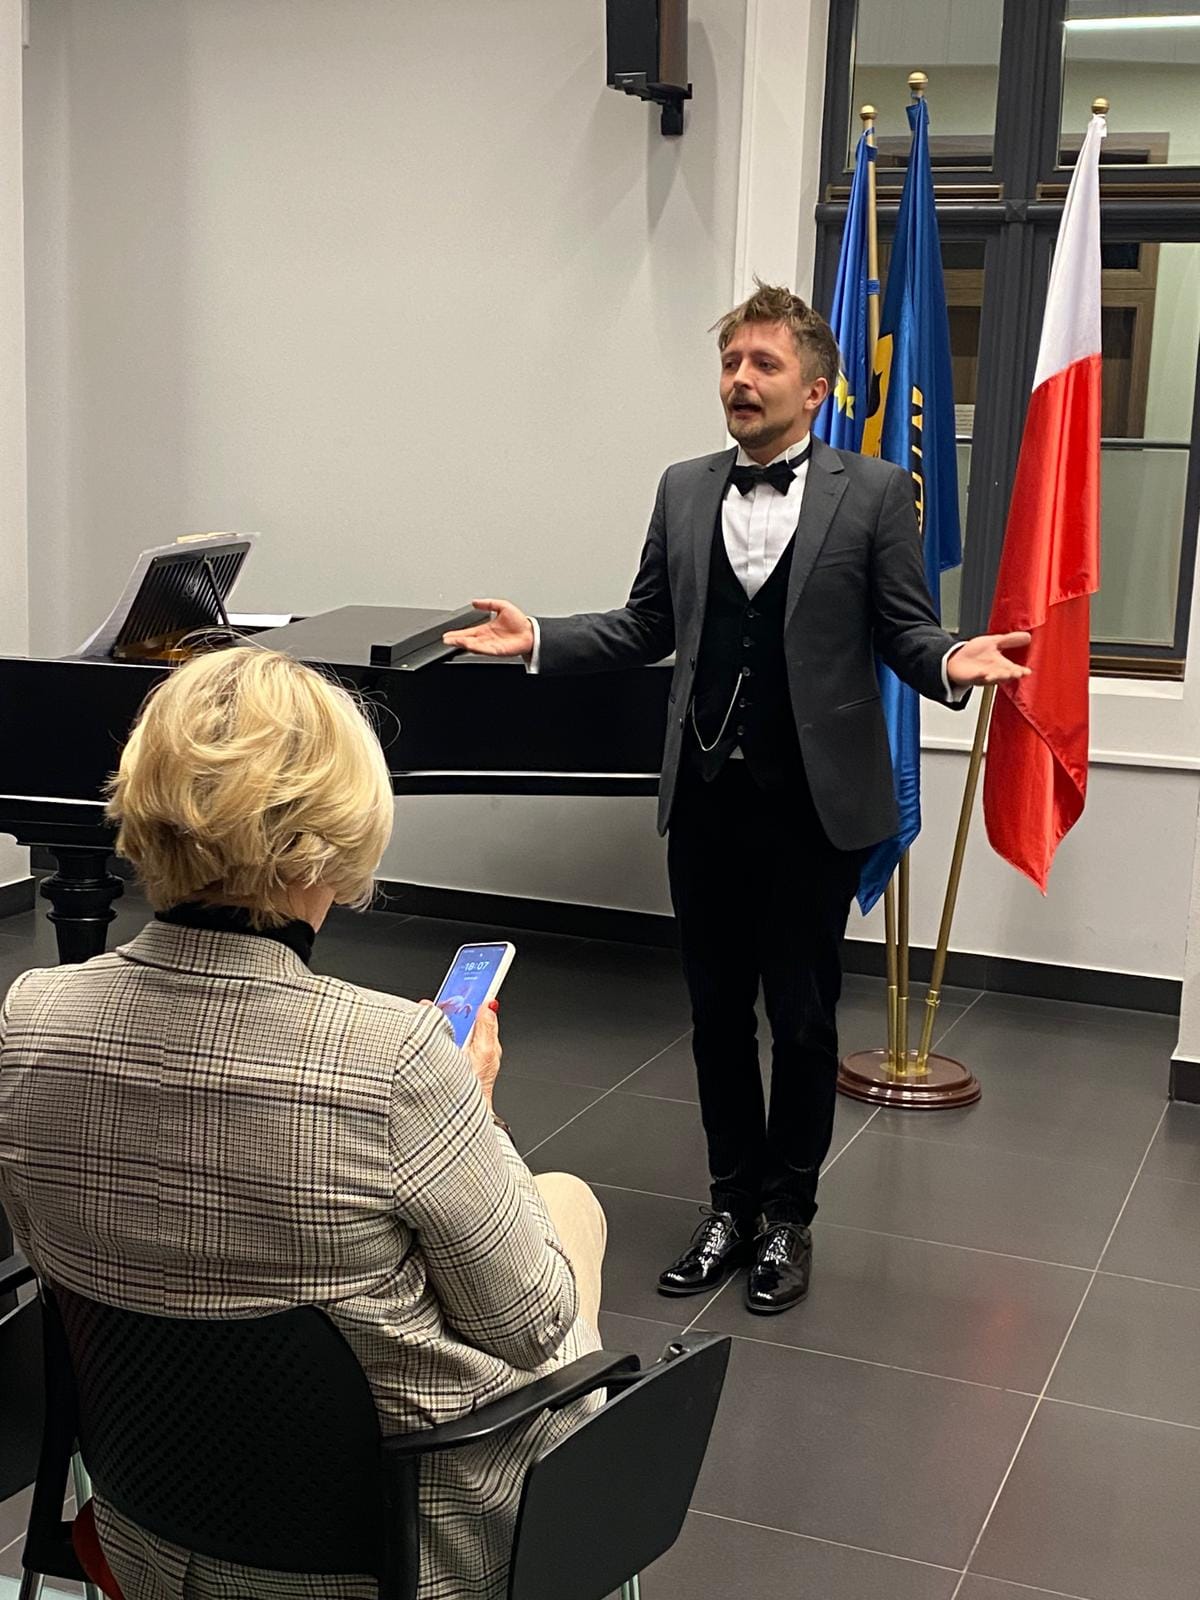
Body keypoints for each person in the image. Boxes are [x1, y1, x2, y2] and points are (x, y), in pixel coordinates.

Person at [443, 282, 1029, 1315]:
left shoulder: (875, 493)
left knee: (800, 1019)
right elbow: (644, 626)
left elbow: (904, 629)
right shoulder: (682, 489)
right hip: (707, 797)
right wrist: (540, 639)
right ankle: (729, 1205)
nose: (740, 381)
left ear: (816, 389)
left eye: (764, 364)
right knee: (715, 1016)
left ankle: (788, 1216)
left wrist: (949, 660)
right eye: (730, 364)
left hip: (813, 806)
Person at [0, 646, 606, 1600]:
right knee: (568, 1207)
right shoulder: (397, 1060)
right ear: (334, 832)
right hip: (395, 1555)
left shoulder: (30, 1018)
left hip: (148, 1532)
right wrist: (474, 1116)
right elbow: (528, 1328)